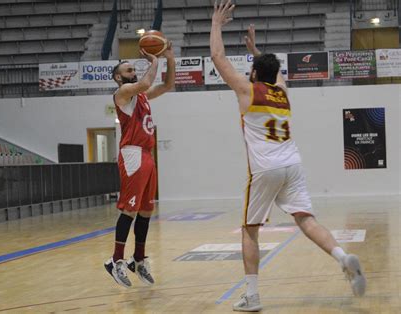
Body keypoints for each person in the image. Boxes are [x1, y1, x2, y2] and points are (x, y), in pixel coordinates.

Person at [210, 1, 366, 311]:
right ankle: (341, 257)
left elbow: (218, 57)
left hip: (265, 169)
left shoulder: (247, 90)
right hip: (292, 165)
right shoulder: (283, 92)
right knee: (306, 219)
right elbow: (274, 71)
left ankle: (252, 296)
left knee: (250, 230)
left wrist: (216, 23)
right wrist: (257, 52)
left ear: (254, 74)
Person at [104, 42, 175, 288]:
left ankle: (138, 259)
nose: (133, 72)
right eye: (128, 70)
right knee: (130, 210)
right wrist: (154, 61)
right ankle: (115, 261)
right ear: (117, 77)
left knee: (146, 211)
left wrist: (169, 57)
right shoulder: (122, 94)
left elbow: (168, 86)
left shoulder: (141, 95)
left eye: (134, 69)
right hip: (133, 154)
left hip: (147, 153)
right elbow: (144, 83)